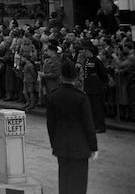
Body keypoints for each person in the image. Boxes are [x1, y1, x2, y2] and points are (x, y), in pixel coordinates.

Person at [46, 58, 98, 194]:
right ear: (75, 77)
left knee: (64, 180)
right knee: (79, 183)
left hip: (61, 145)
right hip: (80, 146)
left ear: (61, 77)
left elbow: (50, 125)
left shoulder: (53, 97)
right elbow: (88, 124)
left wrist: (54, 143)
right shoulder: (81, 97)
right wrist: (93, 146)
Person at [79, 41, 109, 133]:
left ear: (88, 50)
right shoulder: (86, 61)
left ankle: (100, 126)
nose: (82, 52)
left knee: (97, 108)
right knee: (91, 108)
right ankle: (93, 125)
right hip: (89, 87)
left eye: (84, 50)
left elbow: (103, 74)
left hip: (96, 88)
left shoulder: (96, 61)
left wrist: (103, 82)